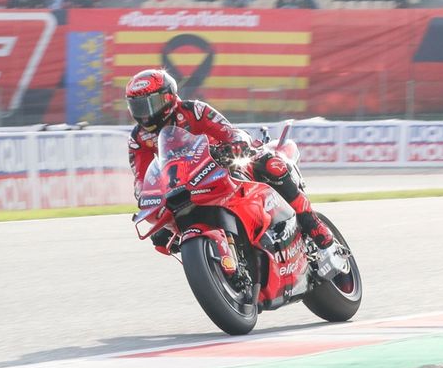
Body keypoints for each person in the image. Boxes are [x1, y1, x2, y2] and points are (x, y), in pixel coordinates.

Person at [125, 69, 341, 261]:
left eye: (149, 104)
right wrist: (147, 202)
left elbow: (228, 130)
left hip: (222, 161)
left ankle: (316, 228)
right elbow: (142, 180)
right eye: (137, 106)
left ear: (168, 97)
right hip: (186, 182)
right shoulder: (139, 138)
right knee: (162, 235)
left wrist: (235, 143)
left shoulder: (193, 110)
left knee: (272, 165)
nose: (145, 112)